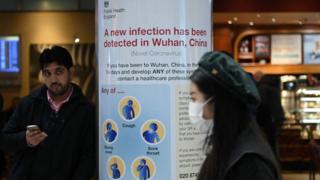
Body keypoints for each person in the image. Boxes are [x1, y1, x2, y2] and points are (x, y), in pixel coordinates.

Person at [0, 46, 95, 180]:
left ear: (71, 72)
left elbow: (88, 158)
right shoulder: (28, 103)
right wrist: (25, 139)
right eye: (47, 73)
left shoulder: (86, 110)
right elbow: (4, 140)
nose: (53, 79)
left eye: (59, 72)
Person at [189, 51, 281, 180]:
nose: (192, 106)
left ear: (217, 101)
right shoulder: (227, 144)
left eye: (194, 99)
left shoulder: (251, 163)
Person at [254, 71, 285, 156]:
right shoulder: (273, 86)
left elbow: (261, 106)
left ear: (257, 78)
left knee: (268, 147)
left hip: (268, 122)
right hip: (276, 120)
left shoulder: (262, 88)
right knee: (274, 144)